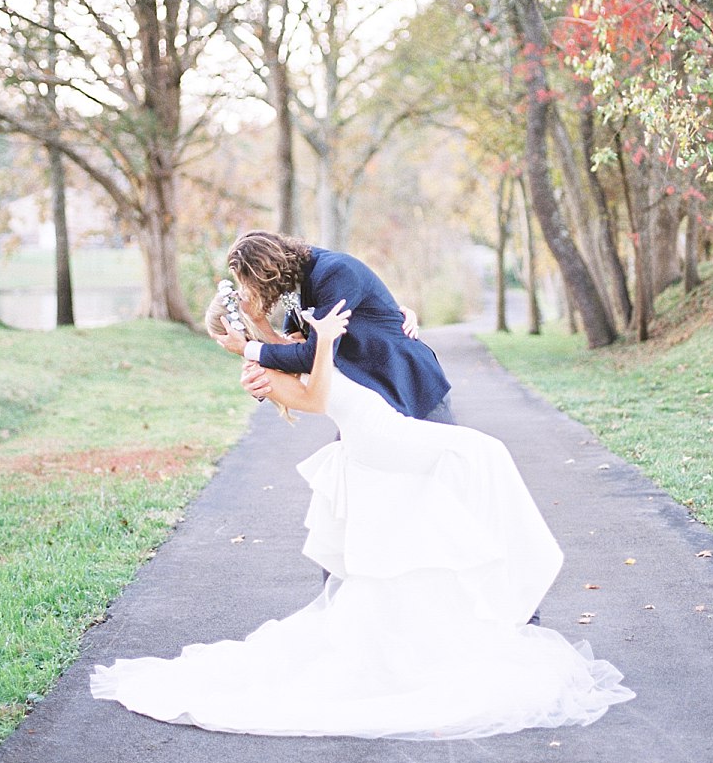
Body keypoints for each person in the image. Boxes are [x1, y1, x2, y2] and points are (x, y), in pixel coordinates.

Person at [89, 292, 635, 739]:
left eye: (237, 328)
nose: (242, 335)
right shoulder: (262, 364)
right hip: (374, 441)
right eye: (234, 332)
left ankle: (490, 608)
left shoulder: (291, 345)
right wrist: (309, 345)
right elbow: (317, 395)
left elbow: (351, 349)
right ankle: (488, 606)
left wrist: (397, 325)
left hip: (379, 438)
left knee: (421, 536)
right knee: (475, 463)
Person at [216, 231, 456, 424]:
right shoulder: (295, 284)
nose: (250, 293)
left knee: (439, 474)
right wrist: (259, 327)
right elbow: (295, 348)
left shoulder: (335, 273)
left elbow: (313, 355)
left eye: (251, 284)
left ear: (268, 273)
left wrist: (247, 348)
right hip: (367, 399)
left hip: (410, 386)